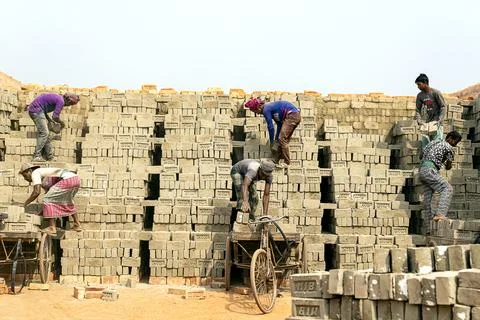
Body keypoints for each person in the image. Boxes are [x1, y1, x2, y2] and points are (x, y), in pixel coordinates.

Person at [19, 163, 83, 235]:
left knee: (47, 199)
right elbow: (52, 201)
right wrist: (42, 213)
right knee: (66, 201)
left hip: (67, 180)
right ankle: (77, 224)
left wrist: (25, 203)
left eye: (25, 176)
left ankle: (52, 227)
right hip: (75, 179)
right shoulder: (44, 177)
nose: (25, 179)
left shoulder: (35, 173)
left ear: (29, 171)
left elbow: (37, 192)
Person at [419, 131, 462, 237]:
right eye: (455, 142)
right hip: (430, 170)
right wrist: (447, 161)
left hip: (422, 171)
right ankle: (440, 214)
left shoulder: (433, 143)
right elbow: (448, 167)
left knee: (429, 201)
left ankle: (428, 231)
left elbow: (421, 155)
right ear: (450, 138)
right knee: (447, 189)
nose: (455, 145)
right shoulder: (449, 147)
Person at [245, 97, 301, 167]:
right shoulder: (273, 111)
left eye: (255, 111)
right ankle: (275, 160)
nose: (257, 113)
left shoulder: (266, 109)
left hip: (292, 115)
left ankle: (287, 162)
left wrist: (271, 142)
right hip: (293, 116)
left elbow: (271, 127)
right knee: (279, 139)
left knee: (282, 139)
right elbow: (279, 125)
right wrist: (276, 139)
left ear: (258, 108)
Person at [27, 92, 80, 161]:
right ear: (69, 100)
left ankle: (50, 157)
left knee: (47, 135)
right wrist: (62, 123)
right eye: (70, 104)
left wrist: (49, 120)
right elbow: (55, 117)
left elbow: (43, 107)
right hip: (35, 111)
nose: (68, 106)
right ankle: (36, 156)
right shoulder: (61, 101)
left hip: (39, 110)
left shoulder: (58, 98)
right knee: (44, 133)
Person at [414, 73, 447, 149]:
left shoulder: (435, 93)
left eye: (419, 84)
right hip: (427, 124)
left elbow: (443, 106)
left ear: (425, 83)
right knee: (425, 147)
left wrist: (440, 119)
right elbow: (417, 110)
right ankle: (426, 160)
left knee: (436, 147)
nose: (418, 87)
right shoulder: (420, 96)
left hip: (437, 124)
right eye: (417, 85)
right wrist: (420, 121)